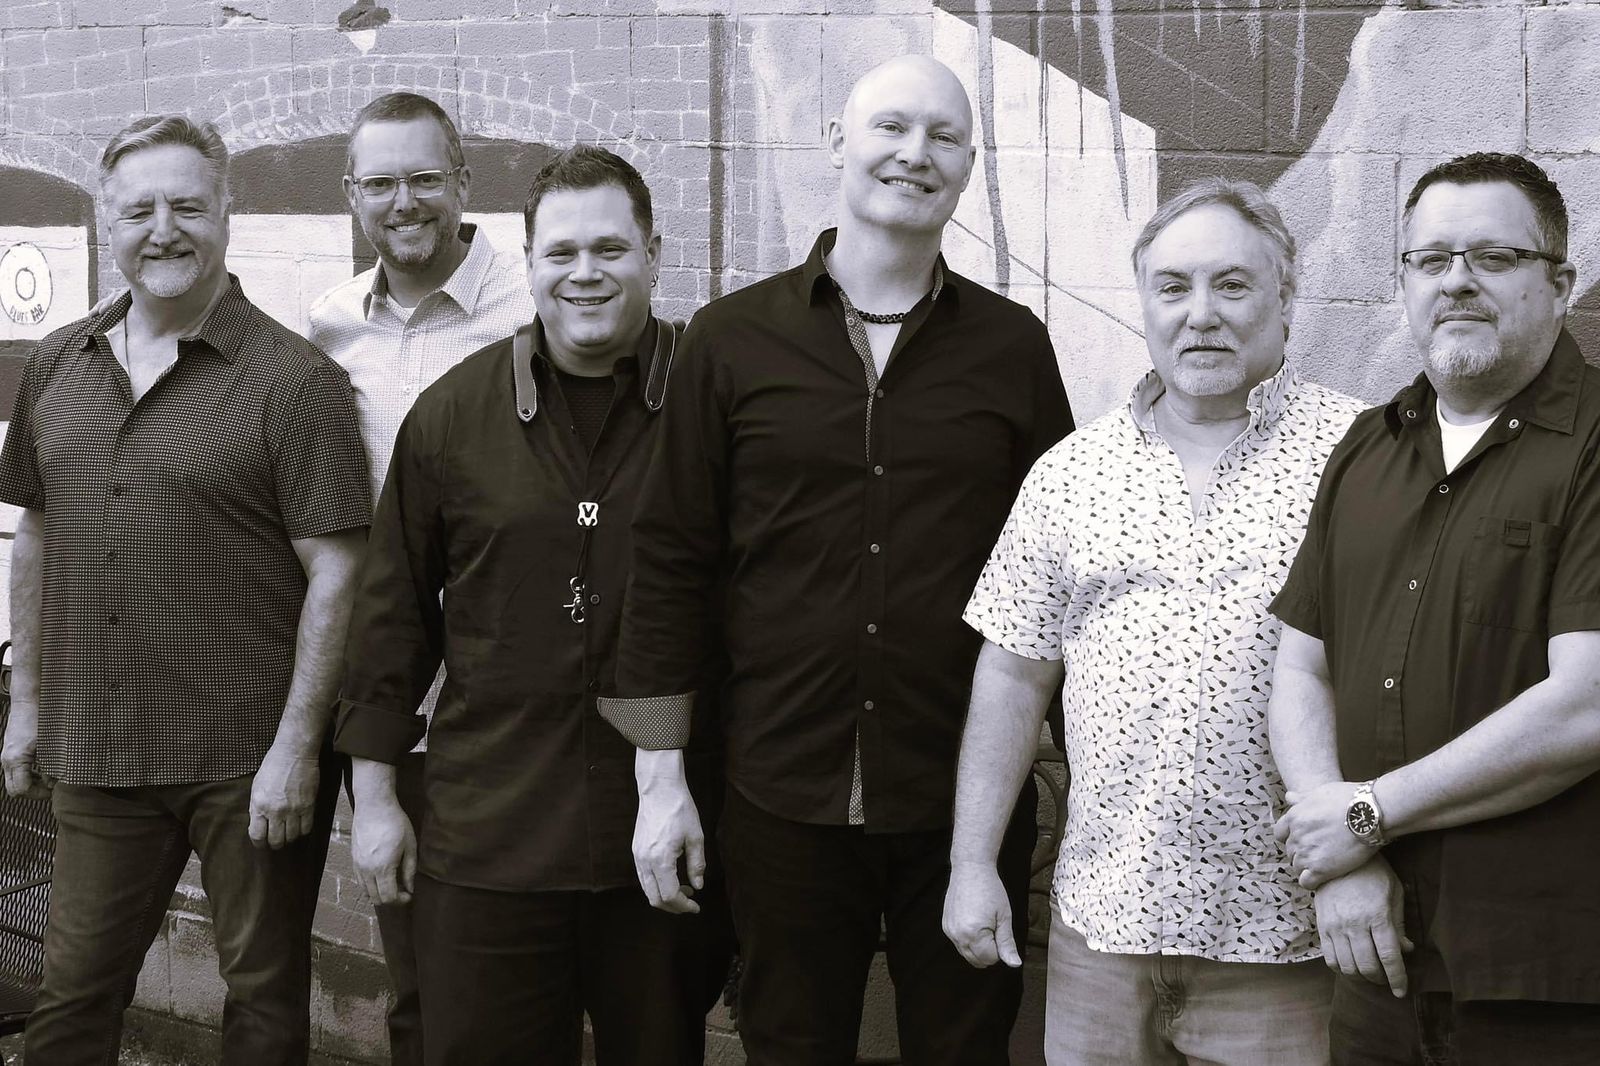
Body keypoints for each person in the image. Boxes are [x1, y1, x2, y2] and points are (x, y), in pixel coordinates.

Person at [599, 55, 1073, 1065]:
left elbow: (1059, 574)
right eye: (891, 127)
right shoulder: (731, 342)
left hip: (964, 798)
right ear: (836, 144)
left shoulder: (1013, 349)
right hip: (779, 793)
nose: (915, 153)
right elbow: (669, 564)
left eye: (944, 136)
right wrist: (659, 782)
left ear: (969, 165)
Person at [946, 179, 1364, 1065]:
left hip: (1287, 943)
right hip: (1102, 935)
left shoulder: (1358, 457)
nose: (1200, 313)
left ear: (1286, 296)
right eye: (1173, 287)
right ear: (1143, 301)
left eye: (1232, 284)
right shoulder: (1072, 474)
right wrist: (972, 864)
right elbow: (1012, 675)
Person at [335, 145, 733, 1066]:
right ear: (529, 262)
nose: (585, 273)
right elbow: (393, 615)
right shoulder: (452, 416)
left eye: (611, 249)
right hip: (490, 839)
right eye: (561, 252)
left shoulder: (717, 406)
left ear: (653, 255)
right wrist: (377, 796)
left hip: (666, 834)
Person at [0, 115, 369, 1063]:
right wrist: (26, 704)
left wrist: (297, 750)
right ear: (107, 221)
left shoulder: (296, 382)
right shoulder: (57, 364)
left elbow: (339, 572)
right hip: (99, 747)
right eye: (139, 211)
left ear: (226, 213)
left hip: (246, 757)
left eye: (187, 207)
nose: (163, 230)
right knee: (73, 996)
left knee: (263, 1000)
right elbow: (35, 534)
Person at [1270, 152, 1600, 1063]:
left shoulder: (1593, 447)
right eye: (1431, 259)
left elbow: (1587, 704)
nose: (1457, 281)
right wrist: (1343, 858)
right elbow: (1301, 666)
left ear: (1560, 283)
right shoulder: (1366, 448)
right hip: (1375, 968)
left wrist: (1367, 815)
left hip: (1543, 981)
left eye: (1494, 257)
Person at [308, 90, 534, 1066]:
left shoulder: (531, 306)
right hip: (390, 691)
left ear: (464, 182)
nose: (405, 202)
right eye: (382, 184)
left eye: (425, 179)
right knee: (414, 970)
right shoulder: (329, 325)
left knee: (513, 976)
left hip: (509, 698)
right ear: (352, 193)